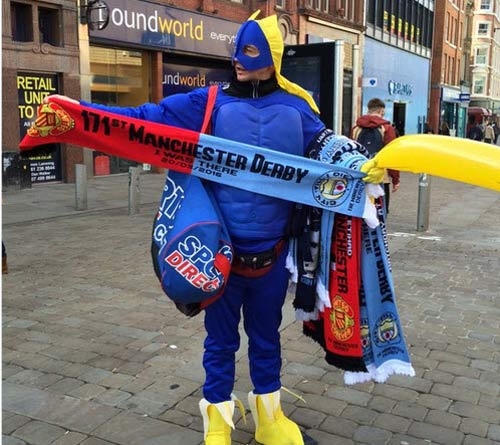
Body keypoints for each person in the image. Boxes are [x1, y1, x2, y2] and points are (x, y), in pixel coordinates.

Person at [44, 12, 383, 445]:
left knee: (266, 339)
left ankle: (270, 419)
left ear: (272, 57)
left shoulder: (299, 110)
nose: (238, 60)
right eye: (236, 52)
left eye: (250, 52)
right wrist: (77, 114)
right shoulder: (207, 103)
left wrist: (366, 168)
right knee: (220, 342)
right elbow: (143, 118)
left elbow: (331, 151)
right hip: (220, 255)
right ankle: (218, 422)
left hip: (273, 255)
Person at [352, 98, 400, 214]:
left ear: (368, 110)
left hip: (360, 174)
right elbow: (391, 156)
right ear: (381, 111)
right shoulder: (387, 129)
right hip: (380, 177)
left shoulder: (356, 128)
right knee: (380, 211)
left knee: (360, 209)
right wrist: (395, 179)